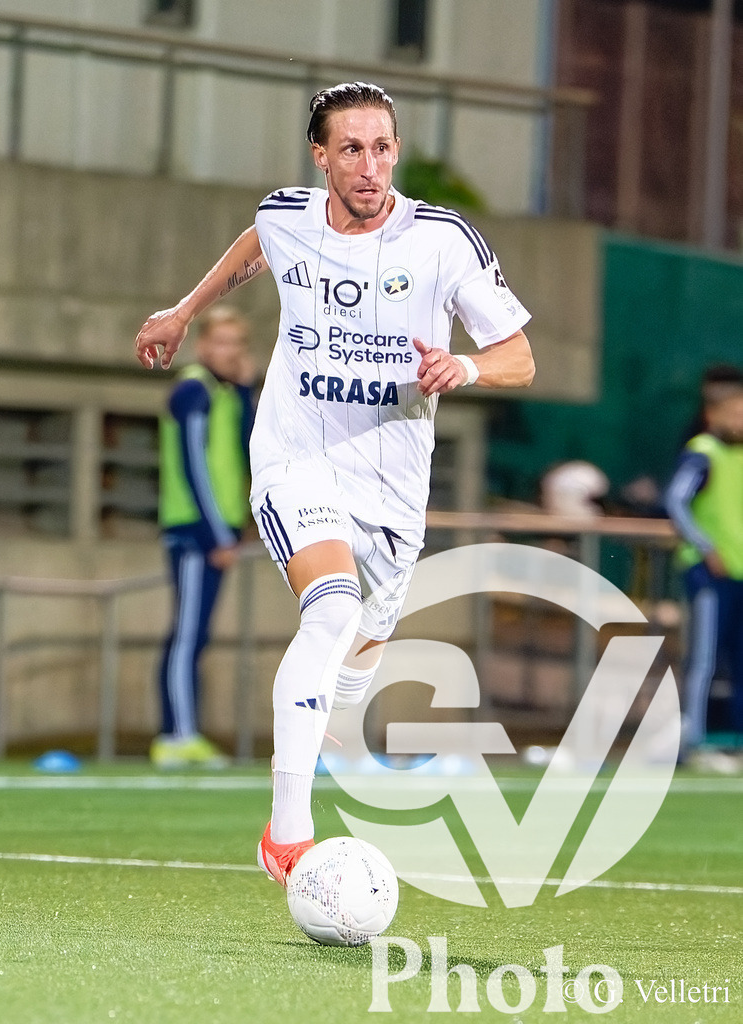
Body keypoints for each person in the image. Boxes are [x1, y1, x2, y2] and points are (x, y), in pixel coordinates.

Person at [136, 82, 535, 882]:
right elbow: (257, 243)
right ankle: (286, 835)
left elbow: (519, 359)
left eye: (382, 147)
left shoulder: (442, 240)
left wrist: (463, 367)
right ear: (320, 156)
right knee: (331, 608)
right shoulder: (288, 215)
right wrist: (181, 311)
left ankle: (327, 726)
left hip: (391, 486)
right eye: (351, 149)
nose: (369, 165)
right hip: (295, 460)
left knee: (355, 666)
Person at [150, 307, 255, 768]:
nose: (230, 352)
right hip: (196, 532)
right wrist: (216, 536)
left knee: (197, 633)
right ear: (203, 345)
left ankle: (183, 732)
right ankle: (176, 735)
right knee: (187, 633)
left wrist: (247, 390)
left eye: (237, 343)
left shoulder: (227, 393)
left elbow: (248, 449)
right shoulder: (194, 389)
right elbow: (193, 462)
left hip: (219, 530)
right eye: (222, 342)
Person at [664, 375, 743, 766]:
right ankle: (692, 740)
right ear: (712, 415)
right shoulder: (703, 452)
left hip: (740, 569)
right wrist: (706, 547)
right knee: (704, 659)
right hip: (712, 572)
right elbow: (676, 501)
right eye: (735, 413)